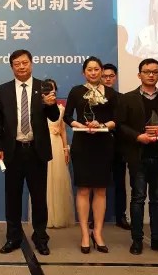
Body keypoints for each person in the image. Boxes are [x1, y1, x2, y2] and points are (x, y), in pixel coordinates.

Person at [0, 50, 59, 256]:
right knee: (12, 197)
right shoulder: (3, 90)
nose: (21, 67)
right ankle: (13, 237)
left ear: (31, 63)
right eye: (17, 64)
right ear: (11, 67)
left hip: (36, 151)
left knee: (38, 198)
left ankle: (40, 237)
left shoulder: (43, 86)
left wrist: (51, 105)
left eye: (24, 62)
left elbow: (54, 117)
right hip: (13, 151)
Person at [117, 59, 158, 256]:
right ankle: (137, 240)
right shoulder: (127, 98)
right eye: (147, 71)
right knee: (138, 199)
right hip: (138, 156)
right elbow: (120, 125)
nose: (151, 75)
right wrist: (137, 137)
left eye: (155, 72)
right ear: (139, 75)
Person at [64, 56, 117, 254]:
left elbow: (117, 118)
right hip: (82, 144)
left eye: (96, 69)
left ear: (101, 71)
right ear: (83, 72)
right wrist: (79, 125)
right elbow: (67, 116)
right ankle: (85, 234)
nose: (93, 72)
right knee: (84, 190)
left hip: (103, 144)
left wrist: (102, 125)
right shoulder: (76, 91)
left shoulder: (111, 93)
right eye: (89, 69)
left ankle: (98, 233)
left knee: (101, 190)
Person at [43, 79, 75, 229]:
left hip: (56, 146)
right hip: (42, 145)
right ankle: (45, 218)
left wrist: (65, 149)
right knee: (43, 181)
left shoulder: (61, 108)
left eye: (53, 89)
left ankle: (59, 217)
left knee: (58, 180)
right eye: (47, 89)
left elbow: (62, 130)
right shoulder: (38, 107)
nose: (51, 92)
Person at [102, 63, 130, 230]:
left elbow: (125, 122)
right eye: (104, 76)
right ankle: (97, 218)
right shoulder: (93, 98)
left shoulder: (122, 98)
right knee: (98, 184)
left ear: (116, 77)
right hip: (98, 147)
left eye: (111, 76)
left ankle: (121, 216)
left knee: (120, 183)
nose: (108, 79)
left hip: (118, 146)